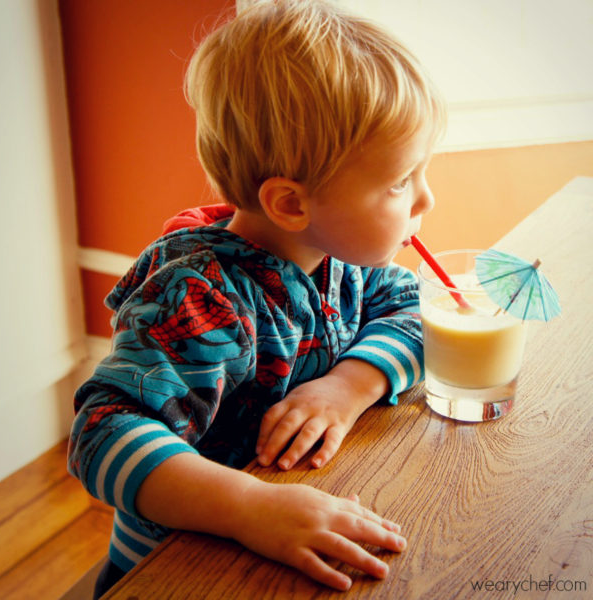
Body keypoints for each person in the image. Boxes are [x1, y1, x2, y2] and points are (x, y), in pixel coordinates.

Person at [68, 0, 446, 596]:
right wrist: (251, 507)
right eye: (401, 181)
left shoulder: (338, 259)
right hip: (180, 571)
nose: (426, 200)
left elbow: (418, 315)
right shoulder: (198, 298)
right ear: (292, 204)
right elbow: (102, 434)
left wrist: (347, 386)